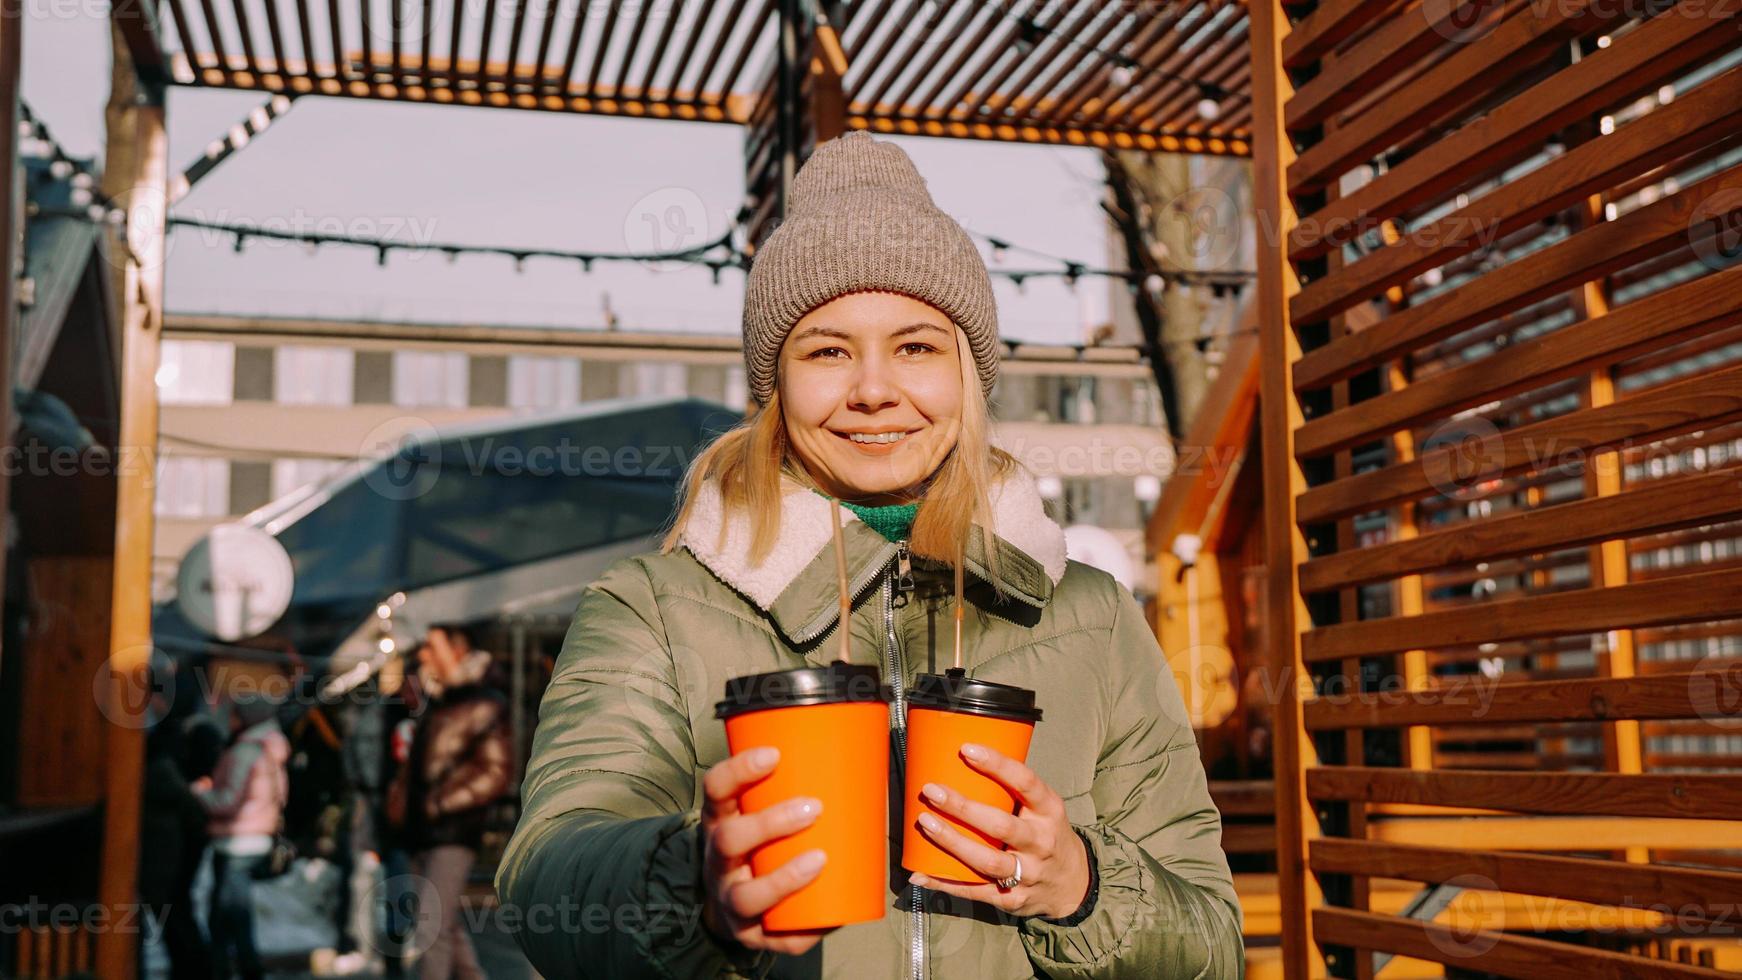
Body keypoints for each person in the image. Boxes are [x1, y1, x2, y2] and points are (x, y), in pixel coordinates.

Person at [497, 131, 1243, 979]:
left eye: (917, 346)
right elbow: (547, 879)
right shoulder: (657, 606)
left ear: (967, 373)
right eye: (827, 350)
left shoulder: (1090, 616)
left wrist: (1079, 885)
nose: (874, 389)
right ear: (777, 382)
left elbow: (1212, 944)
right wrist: (692, 886)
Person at [402, 626, 513, 980]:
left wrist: (440, 802)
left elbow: (495, 772)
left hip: (453, 830)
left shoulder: (484, 701)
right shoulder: (438, 700)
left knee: (430, 927)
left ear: (458, 651)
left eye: (432, 647)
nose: (423, 656)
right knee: (442, 925)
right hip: (422, 828)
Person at [194, 691, 290, 980]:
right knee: (234, 912)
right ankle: (241, 966)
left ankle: (231, 968)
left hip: (237, 840)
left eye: (236, 714)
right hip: (255, 836)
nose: (230, 720)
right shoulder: (270, 749)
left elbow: (227, 801)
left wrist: (199, 793)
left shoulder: (245, 752)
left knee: (227, 914)